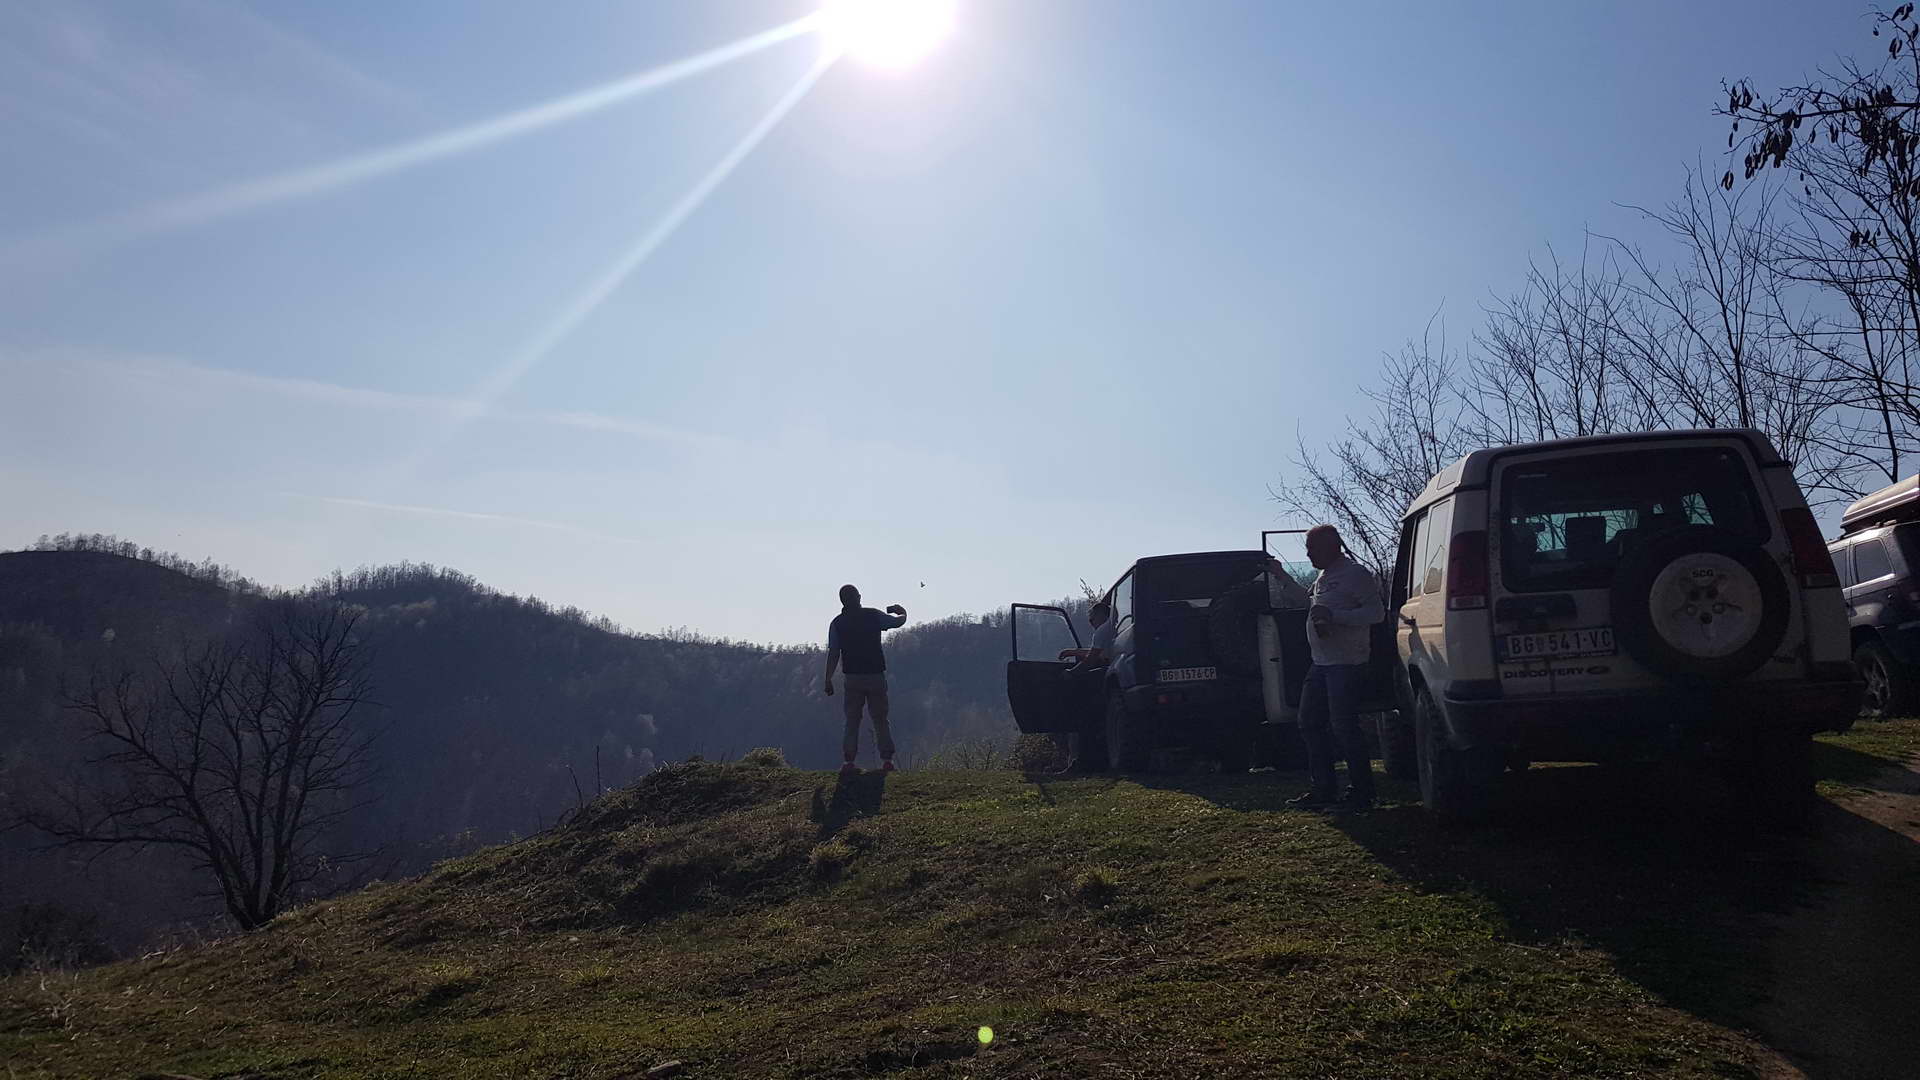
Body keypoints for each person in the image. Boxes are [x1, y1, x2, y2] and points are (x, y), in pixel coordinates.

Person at [1287, 525, 1384, 811]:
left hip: (1347, 663)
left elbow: (1376, 613)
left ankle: (1362, 794)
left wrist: (1334, 616)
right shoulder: (1323, 577)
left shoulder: (1355, 574)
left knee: (1344, 727)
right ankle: (1324, 790)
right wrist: (1280, 575)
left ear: (1330, 547)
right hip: (1321, 663)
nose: (1308, 554)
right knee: (1309, 722)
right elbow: (1309, 604)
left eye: (1311, 549)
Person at [822, 584, 908, 775]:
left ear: (842, 601)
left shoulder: (837, 623)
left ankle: (849, 761)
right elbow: (898, 622)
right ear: (859, 598)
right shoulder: (873, 615)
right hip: (875, 675)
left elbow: (834, 653)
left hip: (852, 677)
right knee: (880, 719)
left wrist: (828, 679)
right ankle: (887, 760)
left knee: (852, 720)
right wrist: (902, 611)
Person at [1049, 599, 1115, 772]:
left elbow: (1091, 659)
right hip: (1113, 673)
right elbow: (1097, 652)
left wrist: (1072, 673)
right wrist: (1074, 652)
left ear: (1100, 615)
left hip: (1109, 674)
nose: (1090, 623)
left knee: (1077, 707)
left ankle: (1077, 759)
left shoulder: (1102, 630)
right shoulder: (1113, 628)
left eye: (1092, 618)